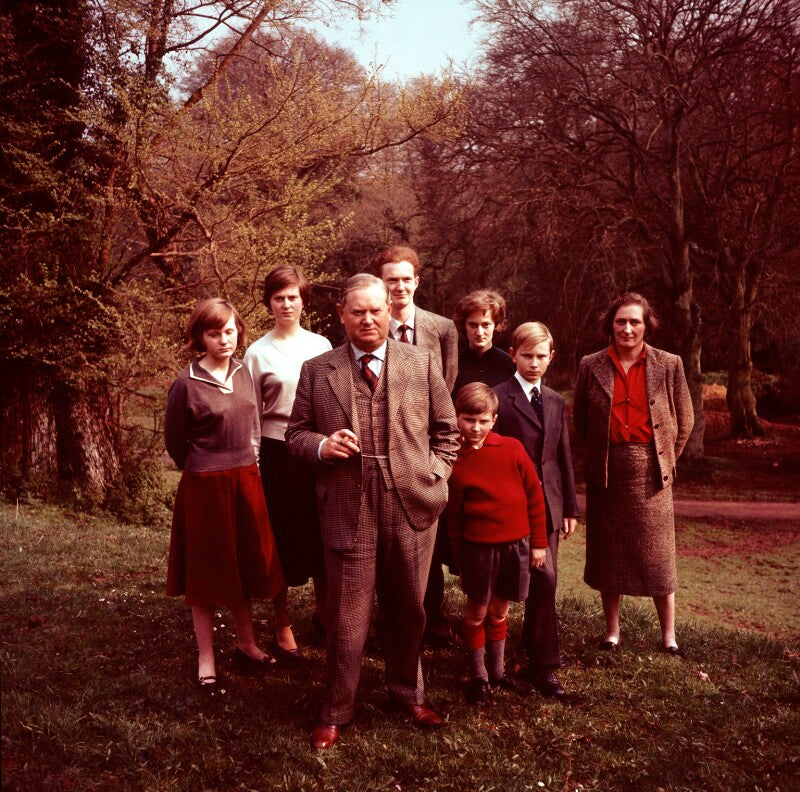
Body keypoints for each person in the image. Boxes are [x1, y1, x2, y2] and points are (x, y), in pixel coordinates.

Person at [285, 273, 459, 750]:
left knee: (409, 607)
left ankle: (408, 694)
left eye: (376, 310)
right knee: (347, 616)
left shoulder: (421, 362)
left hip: (411, 506)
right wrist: (322, 445)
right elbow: (294, 435)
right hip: (348, 507)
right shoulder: (319, 369)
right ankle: (336, 709)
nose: (368, 319)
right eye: (357, 311)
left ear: (390, 311)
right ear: (341, 315)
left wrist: (434, 476)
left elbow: (447, 432)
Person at [165, 298, 284, 693]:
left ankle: (246, 643)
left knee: (244, 565)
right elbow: (175, 443)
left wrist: (248, 466)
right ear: (200, 337)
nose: (224, 340)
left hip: (245, 479)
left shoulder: (245, 372)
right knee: (207, 571)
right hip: (205, 485)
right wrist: (205, 466)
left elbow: (254, 427)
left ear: (239, 331)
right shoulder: (186, 383)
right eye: (214, 333)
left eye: (230, 331)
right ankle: (206, 656)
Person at [573, 293, 694, 655]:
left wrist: (666, 459)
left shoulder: (668, 364)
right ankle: (612, 632)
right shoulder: (590, 365)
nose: (627, 328)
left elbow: (685, 419)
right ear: (610, 324)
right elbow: (581, 421)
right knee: (609, 556)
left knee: (658, 558)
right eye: (620, 321)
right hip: (607, 475)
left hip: (652, 473)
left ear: (647, 325)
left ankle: (669, 636)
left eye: (635, 322)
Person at [243, 266, 332, 661]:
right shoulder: (257, 353)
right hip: (277, 453)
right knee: (280, 539)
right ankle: (282, 622)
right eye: (279, 297)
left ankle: (326, 616)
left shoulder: (321, 344)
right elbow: (250, 413)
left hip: (317, 450)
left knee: (324, 534)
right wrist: (255, 462)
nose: (286, 304)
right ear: (269, 303)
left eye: (293, 296)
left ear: (303, 300)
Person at [373, 245, 459, 646]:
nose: (399, 287)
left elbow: (449, 386)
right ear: (381, 285)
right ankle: (384, 617)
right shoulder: (370, 323)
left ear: (417, 281)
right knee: (383, 537)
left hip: (424, 448)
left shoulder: (441, 329)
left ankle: (432, 615)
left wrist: (436, 461)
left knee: (428, 536)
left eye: (406, 279)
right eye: (392, 280)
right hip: (381, 446)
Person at [493, 322, 580, 697]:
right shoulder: (498, 397)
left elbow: (562, 456)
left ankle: (543, 665)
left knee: (546, 582)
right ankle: (487, 664)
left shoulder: (557, 401)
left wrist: (570, 506)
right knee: (506, 583)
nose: (534, 363)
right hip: (509, 504)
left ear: (551, 357)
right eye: (527, 355)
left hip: (548, 506)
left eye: (541, 356)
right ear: (512, 354)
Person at [447, 383, 548, 704]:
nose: (475, 428)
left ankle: (498, 671)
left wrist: (538, 544)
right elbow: (455, 520)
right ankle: (478, 677)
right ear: (457, 418)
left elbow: (534, 496)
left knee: (500, 611)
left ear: (494, 418)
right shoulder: (454, 460)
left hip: (515, 547)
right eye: (468, 420)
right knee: (476, 612)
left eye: (483, 420)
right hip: (478, 550)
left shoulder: (512, 448)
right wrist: (461, 562)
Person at [451, 290, 516, 398]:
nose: (479, 333)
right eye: (473, 325)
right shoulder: (453, 365)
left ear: (497, 325)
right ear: (464, 325)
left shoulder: (510, 365)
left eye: (486, 325)